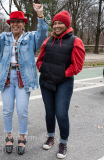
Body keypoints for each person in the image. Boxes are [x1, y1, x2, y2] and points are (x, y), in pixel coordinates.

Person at [0, 4, 48, 155]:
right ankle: (9, 137)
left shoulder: (31, 37)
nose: (15, 24)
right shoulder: (4, 38)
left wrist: (40, 14)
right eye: (13, 21)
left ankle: (22, 137)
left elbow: (43, 33)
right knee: (7, 110)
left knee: (22, 111)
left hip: (23, 78)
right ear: (10, 24)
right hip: (6, 78)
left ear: (23, 23)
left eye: (18, 21)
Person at [36, 11, 85, 159]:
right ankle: (51, 137)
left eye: (60, 23)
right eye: (55, 23)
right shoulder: (48, 40)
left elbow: (77, 66)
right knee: (49, 112)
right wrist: (41, 68)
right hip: (45, 81)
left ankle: (63, 142)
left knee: (61, 114)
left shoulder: (76, 41)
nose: (57, 25)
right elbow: (40, 59)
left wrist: (62, 74)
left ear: (67, 24)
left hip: (64, 82)